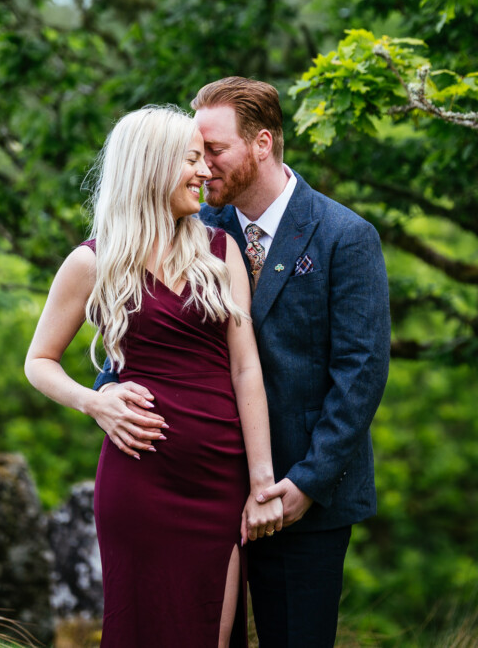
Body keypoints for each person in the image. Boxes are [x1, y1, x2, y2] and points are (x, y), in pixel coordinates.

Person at [94, 77, 391, 648]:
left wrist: (305, 483)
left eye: (214, 150)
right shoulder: (193, 231)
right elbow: (143, 334)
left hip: (305, 497)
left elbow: (361, 374)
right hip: (201, 489)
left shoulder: (345, 237)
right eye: (193, 153)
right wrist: (105, 396)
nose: (201, 167)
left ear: (262, 143)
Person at [24, 105, 284, 648]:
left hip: (220, 479)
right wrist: (94, 402)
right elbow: (39, 361)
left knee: (210, 632)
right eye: (191, 159)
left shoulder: (220, 251)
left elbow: (246, 367)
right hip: (140, 479)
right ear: (151, 167)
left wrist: (261, 481)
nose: (204, 172)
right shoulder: (93, 262)